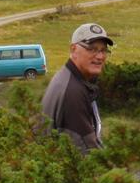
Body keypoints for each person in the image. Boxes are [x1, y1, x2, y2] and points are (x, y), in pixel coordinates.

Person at [40, 21, 113, 153]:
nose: (100, 56)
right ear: (73, 50)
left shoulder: (68, 77)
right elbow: (85, 153)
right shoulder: (72, 93)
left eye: (103, 50)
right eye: (92, 49)